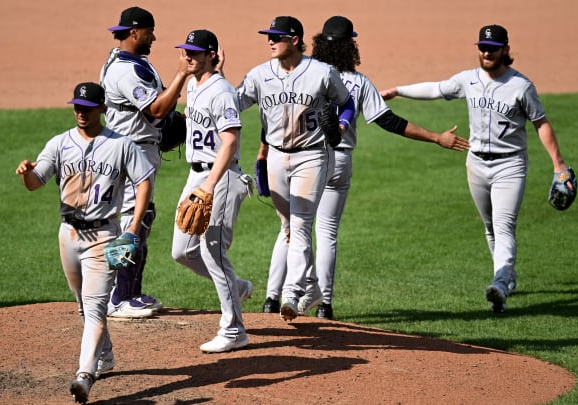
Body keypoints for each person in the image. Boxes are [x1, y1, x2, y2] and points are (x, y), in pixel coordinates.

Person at [262, 16, 471, 320]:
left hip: (306, 157)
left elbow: (278, 120)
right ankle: (325, 305)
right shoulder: (359, 83)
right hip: (339, 161)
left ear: (319, 44)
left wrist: (263, 153)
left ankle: (271, 298)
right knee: (326, 233)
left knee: (292, 229)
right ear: (350, 47)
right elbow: (389, 121)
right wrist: (436, 137)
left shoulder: (307, 74)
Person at [380, 24, 572, 313]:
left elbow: (541, 123)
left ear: (505, 50)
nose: (486, 52)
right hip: (476, 163)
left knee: (504, 225)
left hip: (510, 165)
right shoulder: (468, 80)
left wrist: (559, 166)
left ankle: (500, 284)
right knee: (490, 226)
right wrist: (398, 91)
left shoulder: (521, 86)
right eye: (482, 47)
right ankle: (507, 275)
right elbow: (436, 88)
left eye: (492, 48)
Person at [15, 82, 154, 404]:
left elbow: (144, 181)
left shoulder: (121, 145)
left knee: (94, 309)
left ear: (102, 109)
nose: (80, 112)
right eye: (77, 106)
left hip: (103, 237)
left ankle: (84, 376)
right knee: (82, 305)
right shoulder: (60, 143)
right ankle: (105, 356)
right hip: (68, 234)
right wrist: (26, 172)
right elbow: (36, 184)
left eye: (87, 108)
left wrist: (132, 229)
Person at [236, 16, 356, 322]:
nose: (270, 41)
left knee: (301, 224)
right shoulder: (259, 75)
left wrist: (341, 125)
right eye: (269, 36)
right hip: (277, 156)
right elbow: (233, 102)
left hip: (312, 157)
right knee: (289, 228)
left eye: (276, 36)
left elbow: (347, 103)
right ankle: (313, 286)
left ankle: (291, 293)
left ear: (294, 39)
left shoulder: (322, 72)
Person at [99, 6, 190, 318]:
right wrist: (183, 74)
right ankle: (119, 297)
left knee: (142, 216)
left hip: (138, 149)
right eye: (150, 31)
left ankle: (129, 293)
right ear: (135, 32)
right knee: (132, 220)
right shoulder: (126, 70)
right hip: (130, 152)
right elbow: (154, 110)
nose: (154, 37)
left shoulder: (132, 63)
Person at [171, 29, 254, 353]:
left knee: (213, 252)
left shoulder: (222, 92)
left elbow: (230, 141)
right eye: (185, 50)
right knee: (182, 251)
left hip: (221, 178)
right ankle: (238, 288)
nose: (188, 56)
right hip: (197, 176)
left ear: (210, 55)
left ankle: (234, 329)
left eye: (195, 52)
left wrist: (209, 185)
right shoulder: (194, 85)